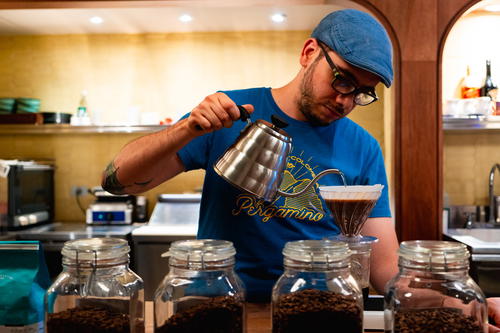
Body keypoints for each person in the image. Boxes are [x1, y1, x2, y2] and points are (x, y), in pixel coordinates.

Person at [101, 9, 500, 331]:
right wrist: (188, 128)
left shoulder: (362, 147)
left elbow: (384, 268)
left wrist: (467, 304)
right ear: (309, 53)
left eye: (362, 92)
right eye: (342, 78)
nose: (346, 100)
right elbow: (117, 182)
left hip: (317, 312)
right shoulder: (230, 114)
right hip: (222, 308)